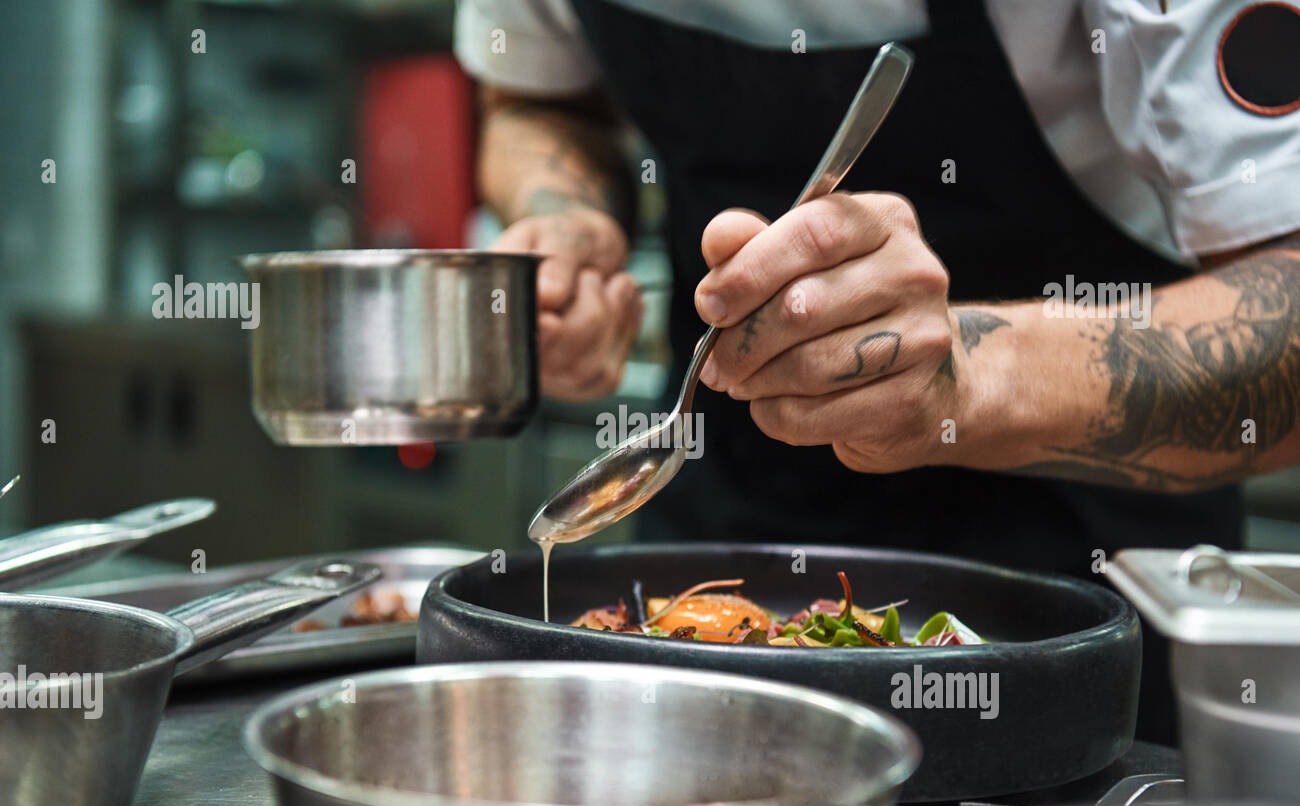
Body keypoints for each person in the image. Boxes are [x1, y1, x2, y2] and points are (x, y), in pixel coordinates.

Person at [454, 0, 1300, 742]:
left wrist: (971, 376)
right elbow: (536, 94)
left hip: (1068, 613)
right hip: (711, 549)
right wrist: (563, 214)